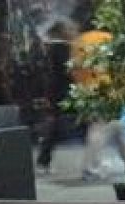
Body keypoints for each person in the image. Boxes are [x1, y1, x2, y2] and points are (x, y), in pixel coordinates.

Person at [70, 29, 125, 181]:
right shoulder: (109, 38)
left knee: (119, 126)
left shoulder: (79, 41)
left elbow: (74, 68)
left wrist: (82, 87)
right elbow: (121, 66)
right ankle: (90, 169)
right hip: (109, 89)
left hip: (88, 90)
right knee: (102, 128)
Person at [35, 20, 76, 175]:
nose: (74, 32)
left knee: (54, 127)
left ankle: (43, 161)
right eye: (70, 29)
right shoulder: (61, 48)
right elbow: (67, 71)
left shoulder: (52, 48)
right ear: (62, 31)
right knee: (54, 128)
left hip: (57, 92)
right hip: (62, 92)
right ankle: (43, 161)